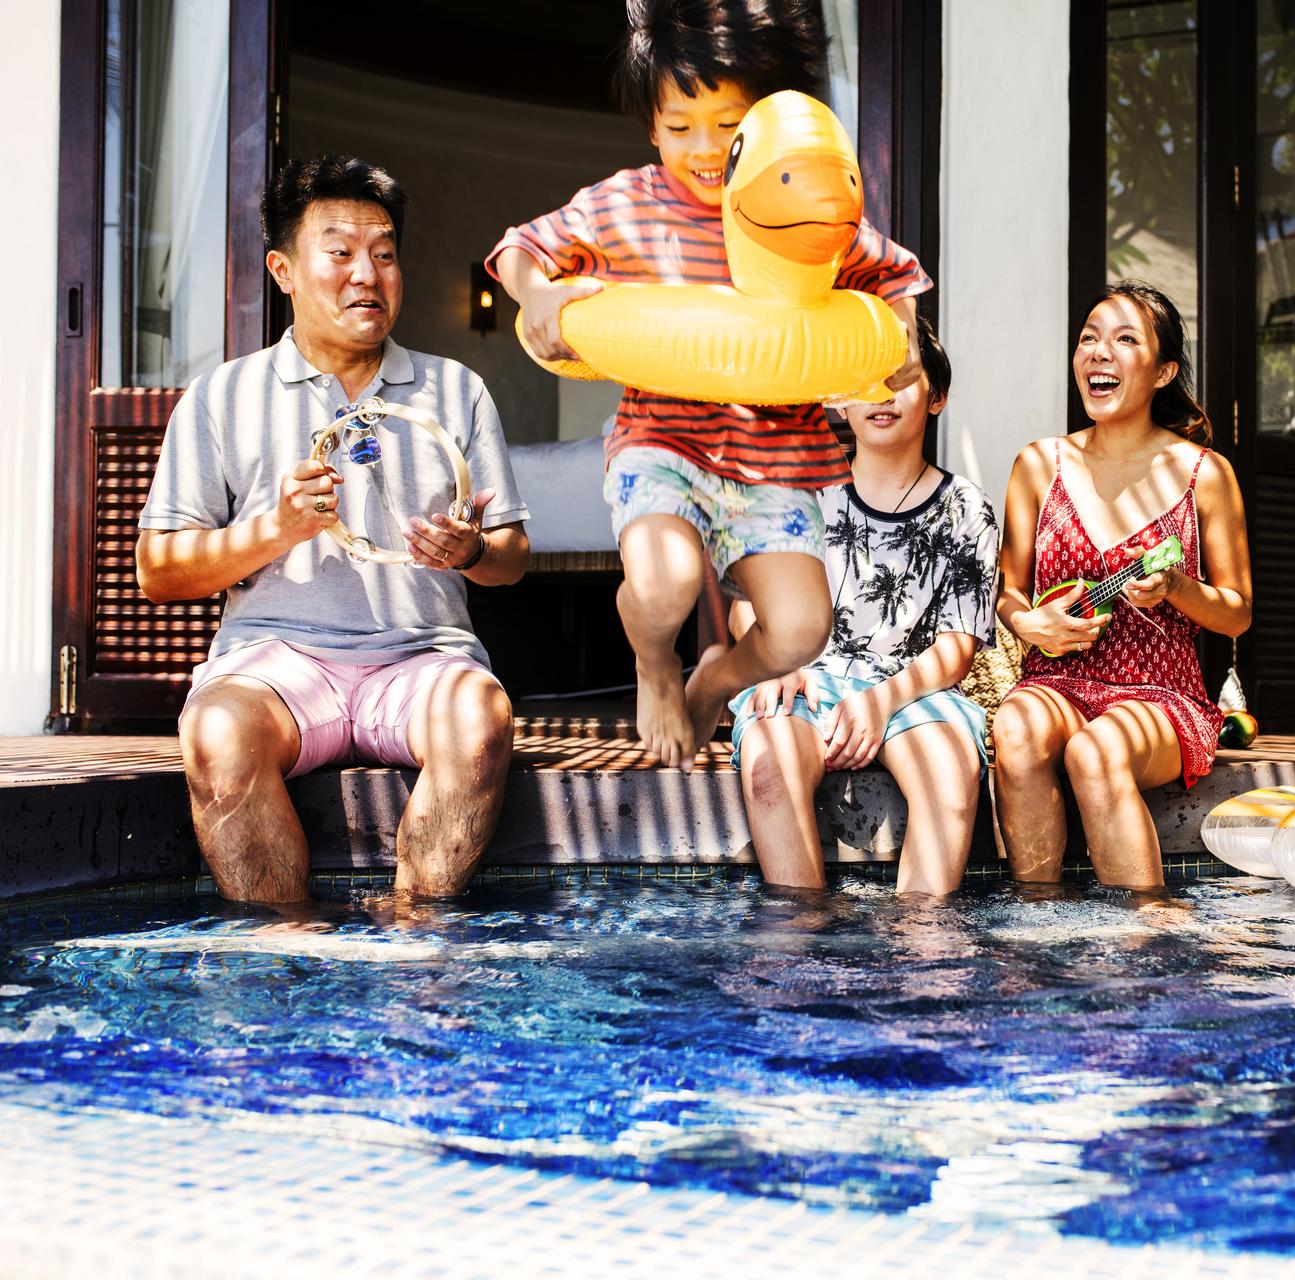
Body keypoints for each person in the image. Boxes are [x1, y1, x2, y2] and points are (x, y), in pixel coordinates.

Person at [488, 0, 930, 770]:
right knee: (666, 587)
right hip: (664, 440)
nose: (704, 147)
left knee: (799, 631)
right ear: (652, 126)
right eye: (681, 125)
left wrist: (904, 342)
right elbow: (521, 248)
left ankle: (714, 678)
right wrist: (541, 296)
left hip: (775, 459)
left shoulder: (795, 205)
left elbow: (893, 276)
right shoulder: (628, 205)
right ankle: (656, 662)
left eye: (728, 125)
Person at [135, 156, 530, 905]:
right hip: (276, 663)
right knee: (219, 733)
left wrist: (474, 551)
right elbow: (157, 571)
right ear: (283, 269)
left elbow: (510, 559)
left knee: (481, 721)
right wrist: (273, 531)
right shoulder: (223, 396)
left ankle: (414, 942)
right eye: (341, 253)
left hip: (422, 658)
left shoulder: (457, 391)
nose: (367, 275)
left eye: (384, 255)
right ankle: (289, 952)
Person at [992, 280, 1252, 889]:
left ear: (1163, 372)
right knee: (1017, 728)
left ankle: (1147, 944)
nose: (1098, 353)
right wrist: (1029, 623)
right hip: (1056, 681)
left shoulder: (1205, 475)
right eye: (1088, 339)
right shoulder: (1038, 464)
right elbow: (1008, 594)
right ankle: (1037, 927)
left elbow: (1237, 612)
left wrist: (1178, 589)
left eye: (1123, 340)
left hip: (1161, 694)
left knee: (1096, 752)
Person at [729, 321, 997, 896]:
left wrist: (880, 701)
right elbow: (748, 609)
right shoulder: (799, 495)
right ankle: (801, 952)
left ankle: (923, 957)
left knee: (949, 775)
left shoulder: (966, 508)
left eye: (901, 378)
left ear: (937, 397)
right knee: (769, 769)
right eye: (866, 380)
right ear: (841, 403)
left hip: (915, 690)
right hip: (805, 674)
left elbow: (957, 647)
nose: (881, 394)